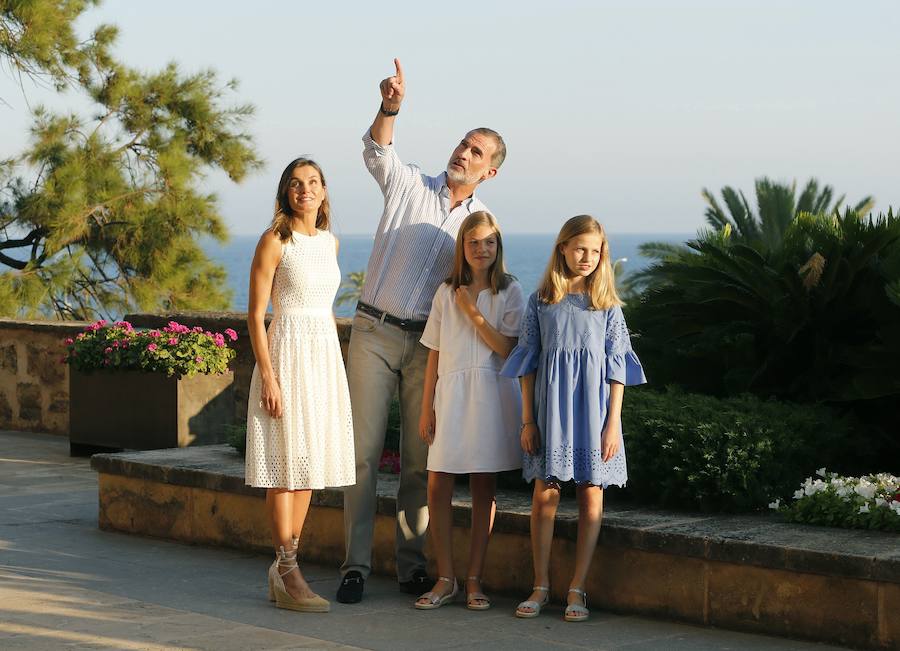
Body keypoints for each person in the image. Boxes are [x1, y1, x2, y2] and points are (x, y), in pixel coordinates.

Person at [338, 58, 507, 604]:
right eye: (463, 143)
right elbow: (377, 152)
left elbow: (489, 284)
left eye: (476, 152)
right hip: (374, 332)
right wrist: (390, 106)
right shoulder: (409, 184)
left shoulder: (481, 227)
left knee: (419, 461)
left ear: (490, 171)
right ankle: (355, 566)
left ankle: (411, 566)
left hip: (426, 349)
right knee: (362, 455)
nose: (463, 152)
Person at [501, 215, 646, 622]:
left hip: (595, 413)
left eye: (595, 251)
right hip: (551, 411)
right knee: (544, 494)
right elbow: (527, 364)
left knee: (590, 494)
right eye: (580, 248)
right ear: (562, 248)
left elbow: (618, 370)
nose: (587, 257)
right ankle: (541, 585)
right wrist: (528, 420)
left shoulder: (607, 307)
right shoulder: (541, 301)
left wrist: (612, 422)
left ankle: (577, 589)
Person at [245, 158, 355, 613]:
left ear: (324, 191)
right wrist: (269, 375)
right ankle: (286, 567)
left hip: (321, 358)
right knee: (285, 467)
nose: (304, 190)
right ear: (285, 192)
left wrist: (336, 368)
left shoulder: (330, 243)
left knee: (308, 466)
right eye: (295, 183)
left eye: (312, 182)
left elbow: (325, 309)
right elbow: (254, 314)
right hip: (286, 354)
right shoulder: (275, 240)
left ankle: (287, 565)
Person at [413, 211, 524, 611]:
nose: (481, 249)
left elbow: (507, 349)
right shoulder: (446, 292)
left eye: (489, 242)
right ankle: (446, 578)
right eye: (473, 242)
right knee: (437, 483)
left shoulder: (510, 291)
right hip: (451, 394)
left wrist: (473, 312)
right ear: (463, 246)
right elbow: (434, 353)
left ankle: (474, 579)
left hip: (492, 396)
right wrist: (427, 407)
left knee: (483, 487)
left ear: (498, 246)